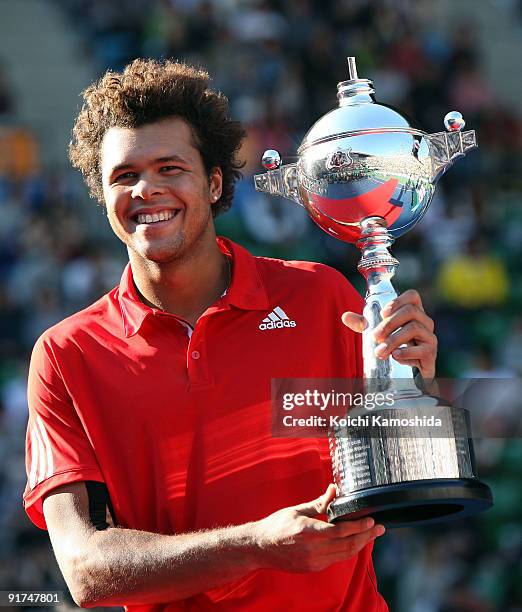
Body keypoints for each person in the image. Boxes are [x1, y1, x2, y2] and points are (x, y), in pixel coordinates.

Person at [23, 59, 437, 611]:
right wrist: (255, 546)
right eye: (124, 175)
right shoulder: (66, 354)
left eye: (170, 168)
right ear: (104, 198)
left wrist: (413, 384)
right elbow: (85, 569)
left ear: (214, 181)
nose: (147, 189)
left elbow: (404, 475)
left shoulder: (321, 299)